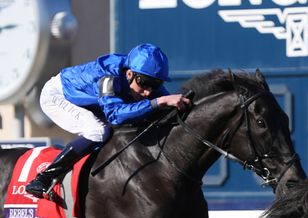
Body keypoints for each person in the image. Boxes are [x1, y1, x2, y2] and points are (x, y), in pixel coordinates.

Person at [26, 43, 191, 198]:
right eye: (145, 83)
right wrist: (158, 102)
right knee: (97, 132)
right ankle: (43, 178)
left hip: (92, 102)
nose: (148, 91)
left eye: (155, 85)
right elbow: (115, 115)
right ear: (129, 74)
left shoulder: (141, 76)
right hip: (58, 96)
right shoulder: (108, 78)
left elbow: (166, 104)